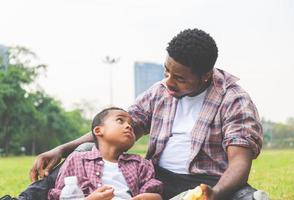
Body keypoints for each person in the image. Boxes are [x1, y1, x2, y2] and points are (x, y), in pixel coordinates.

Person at [29, 28, 264, 200]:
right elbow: (115, 129)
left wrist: (215, 194)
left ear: (205, 75)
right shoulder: (160, 92)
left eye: (180, 78)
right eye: (167, 71)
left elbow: (239, 163)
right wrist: (61, 149)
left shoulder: (234, 100)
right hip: (158, 178)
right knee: (84, 151)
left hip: (208, 183)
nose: (168, 82)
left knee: (247, 197)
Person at [48, 107, 163, 200]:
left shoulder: (140, 164)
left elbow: (153, 191)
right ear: (98, 130)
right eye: (120, 121)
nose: (129, 126)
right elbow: (60, 196)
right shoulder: (77, 160)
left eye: (131, 125)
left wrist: (153, 197)